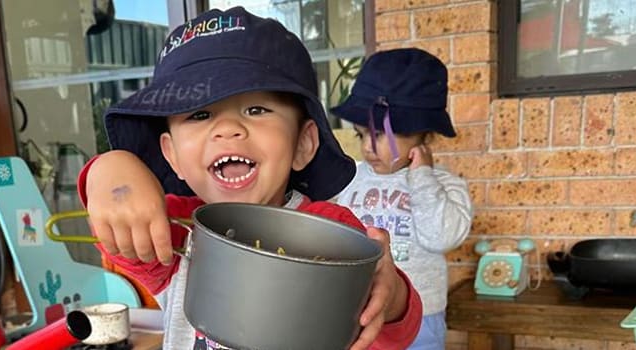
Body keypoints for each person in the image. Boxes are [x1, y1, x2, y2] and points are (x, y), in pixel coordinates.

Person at [76, 7, 422, 350]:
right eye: (200, 114)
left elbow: (391, 334)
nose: (227, 128)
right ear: (172, 156)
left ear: (303, 144)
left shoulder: (330, 233)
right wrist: (110, 168)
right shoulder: (178, 231)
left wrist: (389, 298)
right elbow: (116, 232)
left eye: (256, 110)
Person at [332, 48, 474, 350]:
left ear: (422, 135)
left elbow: (441, 237)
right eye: (360, 135)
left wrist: (422, 178)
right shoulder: (349, 178)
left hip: (422, 316)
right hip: (360, 311)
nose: (368, 147)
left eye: (380, 135)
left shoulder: (445, 186)